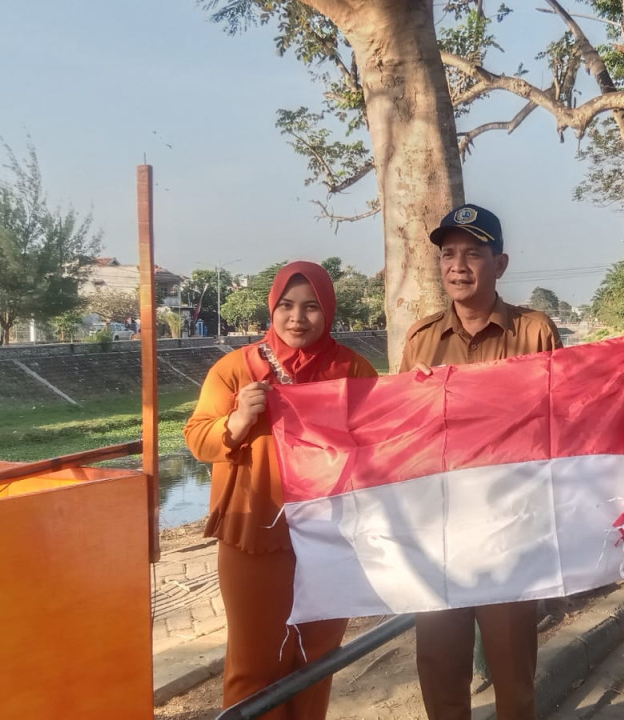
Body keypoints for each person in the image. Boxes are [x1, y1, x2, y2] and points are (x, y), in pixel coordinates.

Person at [184, 262, 377, 720]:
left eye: (311, 307)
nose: (297, 318)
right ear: (271, 309)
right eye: (287, 306)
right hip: (256, 535)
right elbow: (197, 439)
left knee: (317, 659)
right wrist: (236, 421)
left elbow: (382, 437)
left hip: (331, 537)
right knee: (255, 665)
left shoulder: (351, 369)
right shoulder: (236, 370)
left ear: (328, 311)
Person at [401, 203, 561, 720]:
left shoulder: (534, 332)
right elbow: (403, 431)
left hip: (509, 533)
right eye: (448, 254)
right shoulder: (422, 340)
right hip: (441, 534)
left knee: (513, 676)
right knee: (439, 669)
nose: (458, 266)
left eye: (473, 254)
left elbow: (560, 424)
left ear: (501, 263)